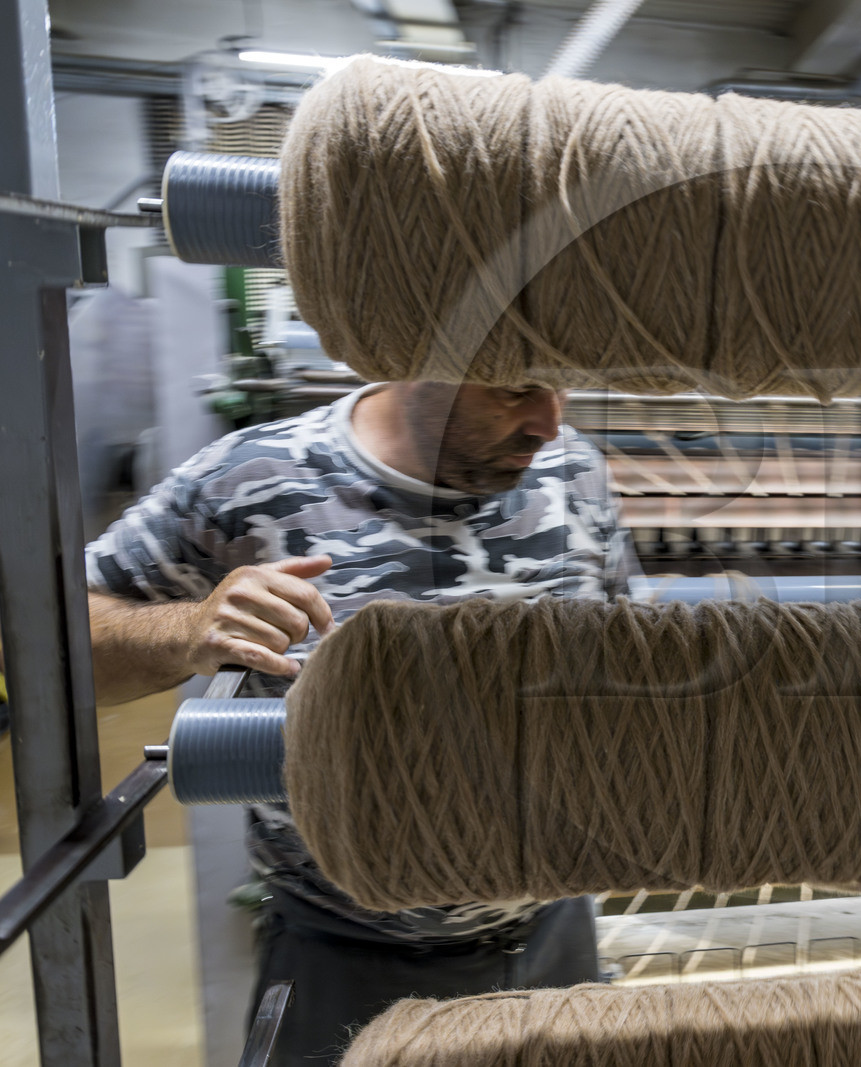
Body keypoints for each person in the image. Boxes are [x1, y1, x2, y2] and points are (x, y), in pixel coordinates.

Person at [85, 379, 639, 1064]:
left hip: (555, 945)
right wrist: (186, 628)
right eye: (514, 392)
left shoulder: (574, 471)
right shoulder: (253, 476)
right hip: (348, 966)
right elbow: (62, 640)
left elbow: (625, 660)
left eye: (559, 388)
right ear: (415, 358)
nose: (548, 425)